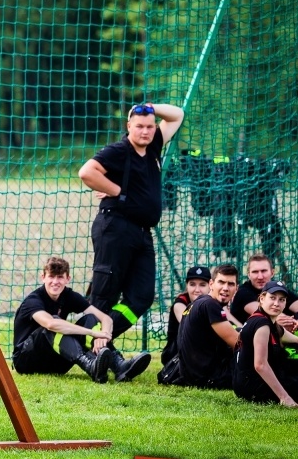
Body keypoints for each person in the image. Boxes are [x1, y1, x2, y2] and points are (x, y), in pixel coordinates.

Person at [79, 103, 184, 380]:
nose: (146, 131)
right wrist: (118, 191)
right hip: (116, 228)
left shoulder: (153, 147)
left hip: (141, 232)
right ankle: (95, 347)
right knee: (104, 294)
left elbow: (177, 115)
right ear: (129, 127)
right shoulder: (118, 150)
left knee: (141, 296)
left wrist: (150, 106)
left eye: (150, 126)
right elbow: (86, 172)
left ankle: (101, 340)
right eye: (140, 125)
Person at [12, 257, 115, 383]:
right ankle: (91, 366)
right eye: (51, 276)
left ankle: (118, 365)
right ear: (43, 277)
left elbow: (106, 318)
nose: (55, 281)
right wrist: (92, 333)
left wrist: (103, 336)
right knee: (54, 324)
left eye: (60, 277)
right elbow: (50, 324)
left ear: (68, 279)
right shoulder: (33, 300)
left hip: (56, 364)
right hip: (27, 362)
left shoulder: (68, 296)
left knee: (90, 318)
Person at [233, 281, 298, 406]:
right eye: (272, 298)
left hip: (244, 385)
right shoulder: (262, 325)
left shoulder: (267, 321)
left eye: (281, 300)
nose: (276, 303)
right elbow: (260, 365)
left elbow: (287, 336)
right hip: (254, 388)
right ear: (262, 299)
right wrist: (285, 398)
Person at [177, 264, 239, 389]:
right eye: (221, 282)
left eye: (230, 284)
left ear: (236, 289)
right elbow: (239, 344)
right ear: (211, 284)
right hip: (208, 378)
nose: (225, 288)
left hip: (193, 375)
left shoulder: (199, 302)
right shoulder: (210, 305)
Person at [228, 254, 298, 329]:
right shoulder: (243, 292)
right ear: (249, 275)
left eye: (264, 271)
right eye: (255, 272)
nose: (260, 277)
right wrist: (293, 321)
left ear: (272, 273)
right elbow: (270, 314)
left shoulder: (279, 288)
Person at [161, 266, 211, 365]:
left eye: (202, 285)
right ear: (187, 286)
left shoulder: (212, 302)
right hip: (175, 356)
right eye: (192, 284)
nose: (197, 290)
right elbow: (191, 327)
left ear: (210, 286)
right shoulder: (180, 303)